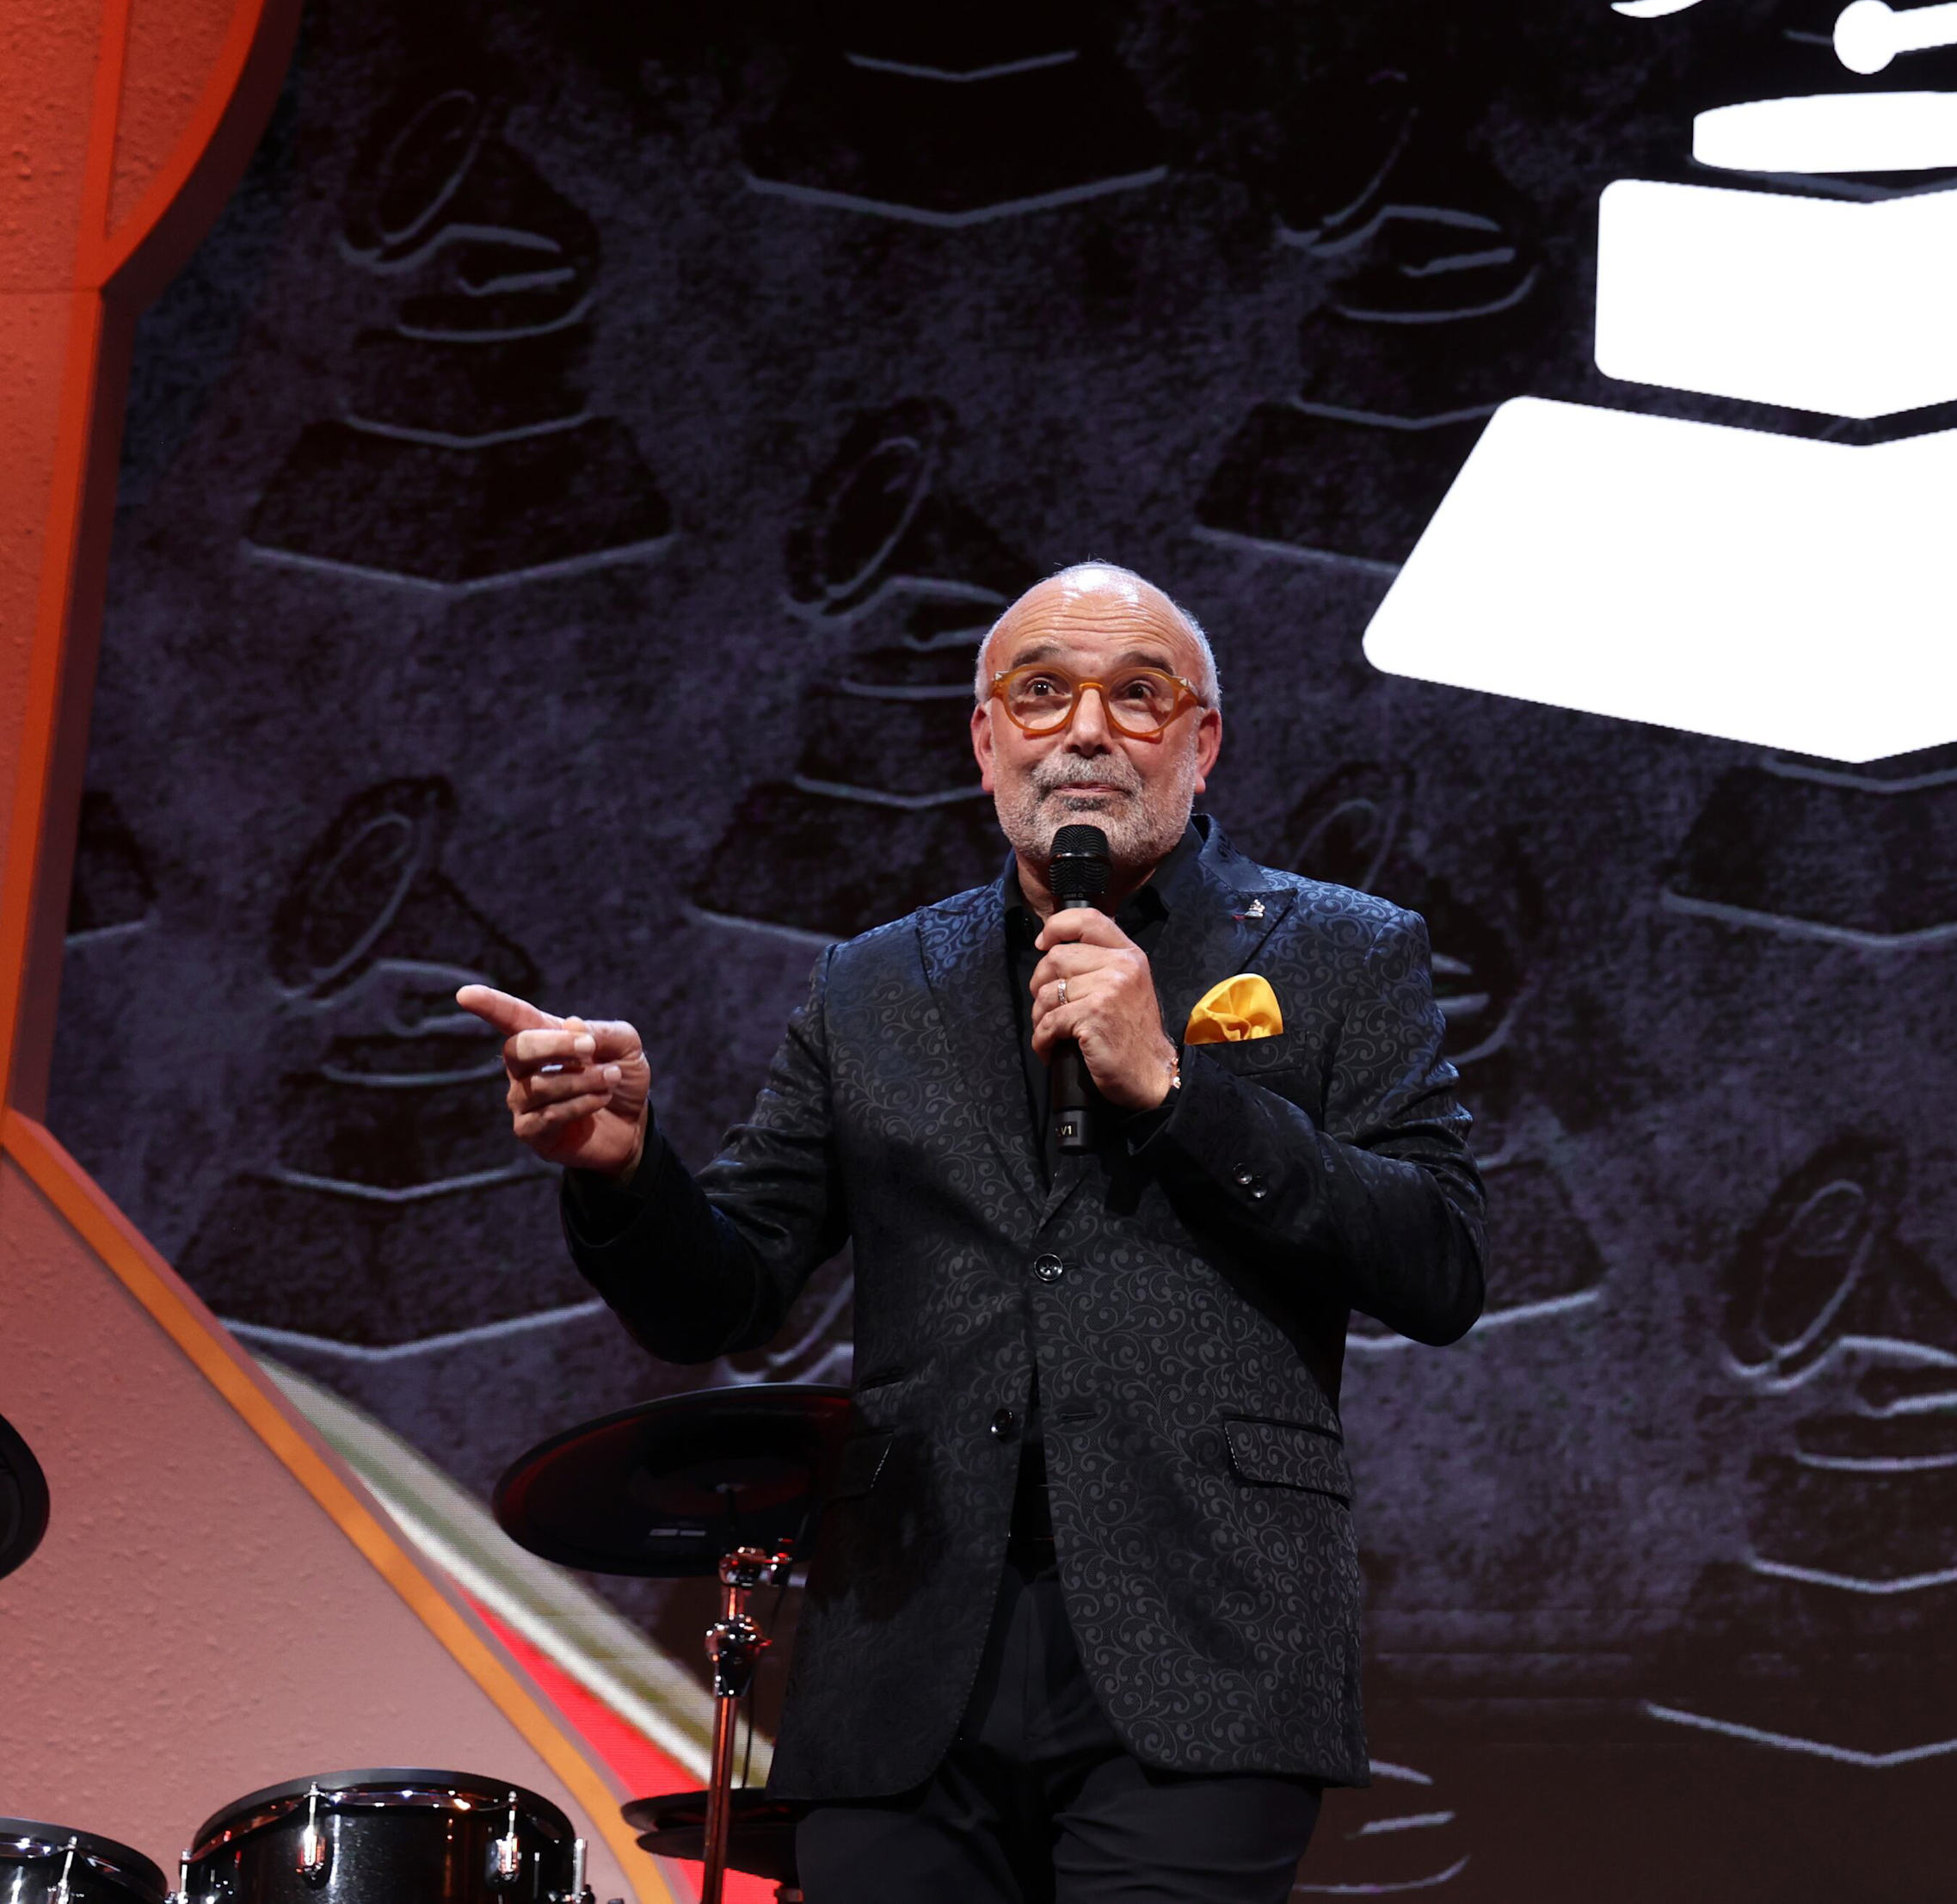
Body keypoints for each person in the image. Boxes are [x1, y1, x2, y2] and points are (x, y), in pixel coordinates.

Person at [456, 562, 1484, 1904]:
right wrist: (622, 1170)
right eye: (1042, 693)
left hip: (1205, 1644)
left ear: (1202, 740)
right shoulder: (876, 979)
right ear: (985, 735)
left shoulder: (1339, 949)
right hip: (906, 1653)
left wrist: (1178, 1090)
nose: (1089, 730)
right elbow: (723, 1299)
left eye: (1139, 696)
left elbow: (1441, 1262)